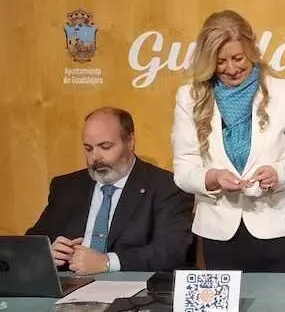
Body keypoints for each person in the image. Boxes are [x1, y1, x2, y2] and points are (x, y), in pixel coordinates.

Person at [171, 10, 285, 272]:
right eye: (220, 61)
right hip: (218, 232)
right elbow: (184, 168)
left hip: (278, 228)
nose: (232, 69)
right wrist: (212, 178)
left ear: (252, 50)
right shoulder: (189, 97)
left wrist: (277, 174)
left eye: (238, 58)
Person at [27, 107, 193, 275]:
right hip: (71, 283)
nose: (95, 157)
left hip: (131, 286)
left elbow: (172, 251)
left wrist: (108, 262)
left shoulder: (166, 187)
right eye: (88, 148)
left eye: (105, 147)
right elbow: (30, 244)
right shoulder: (67, 187)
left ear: (130, 142)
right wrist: (48, 252)